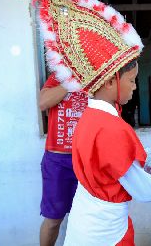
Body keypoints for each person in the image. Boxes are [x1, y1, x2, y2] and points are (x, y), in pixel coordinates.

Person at [17, 0, 151, 245]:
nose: (135, 88)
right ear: (112, 80)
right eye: (132, 80)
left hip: (86, 220)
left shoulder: (90, 117)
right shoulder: (111, 128)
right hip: (106, 231)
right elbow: (141, 187)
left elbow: (119, 164)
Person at [38, 74, 87, 246]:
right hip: (58, 160)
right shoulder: (58, 76)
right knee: (53, 221)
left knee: (88, 218)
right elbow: (43, 102)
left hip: (88, 159)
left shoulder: (98, 76)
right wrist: (71, 81)